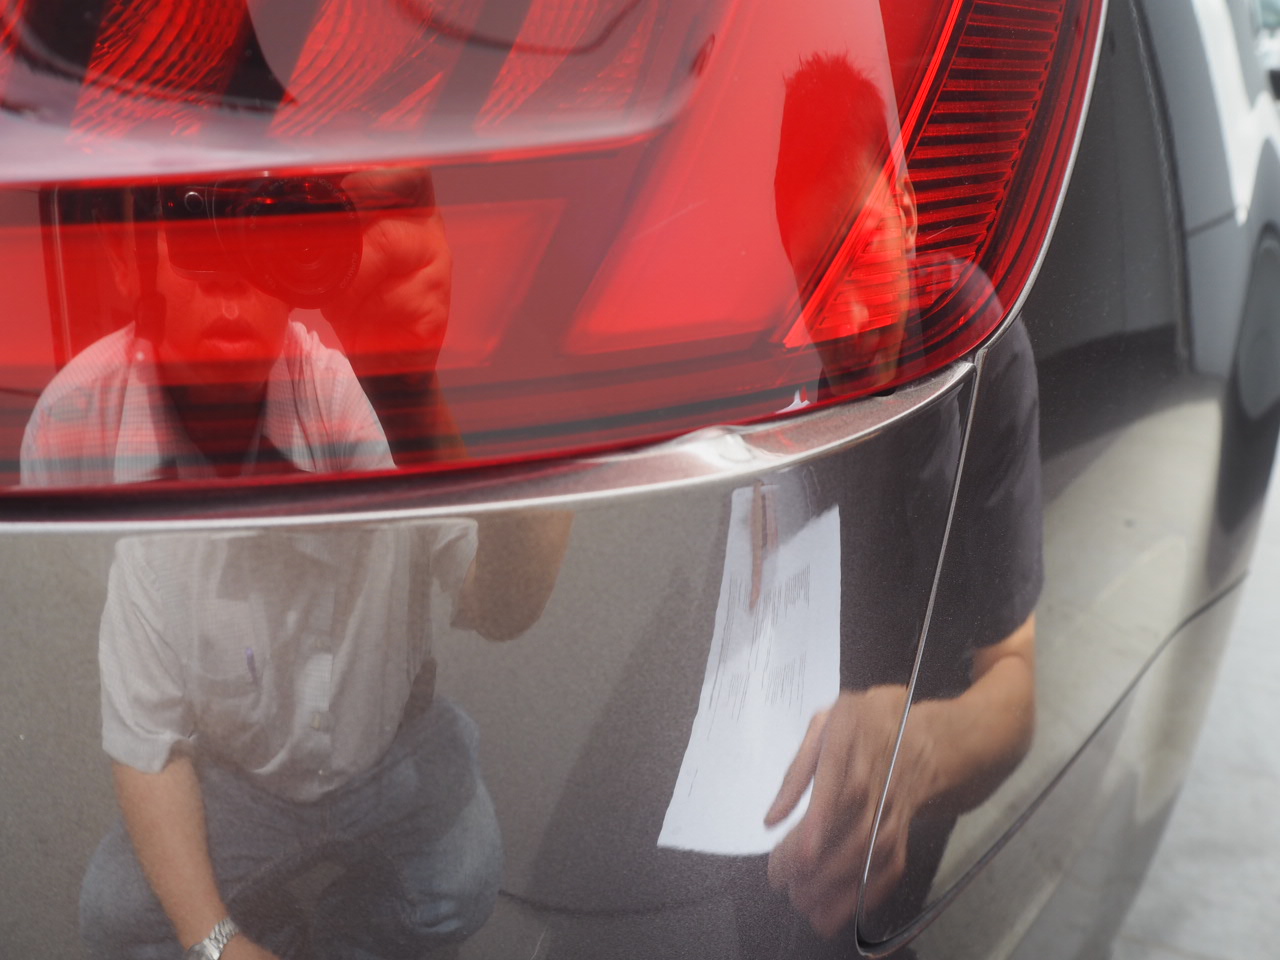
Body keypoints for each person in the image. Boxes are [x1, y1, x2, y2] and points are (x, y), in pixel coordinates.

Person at [21, 169, 571, 959]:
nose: (230, 280)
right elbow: (145, 729)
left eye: (263, 236)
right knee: (116, 915)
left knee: (463, 884)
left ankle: (346, 935)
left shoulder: (349, 396)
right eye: (196, 229)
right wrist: (221, 944)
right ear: (132, 261)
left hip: (388, 742)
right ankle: (278, 925)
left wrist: (429, 394)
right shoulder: (76, 423)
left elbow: (499, 607)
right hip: (235, 767)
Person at [765, 53, 1043, 943]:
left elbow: (1013, 687)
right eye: (813, 278)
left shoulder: (978, 353)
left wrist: (915, 755)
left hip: (904, 813)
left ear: (910, 209)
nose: (843, 321)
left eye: (858, 251)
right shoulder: (776, 381)